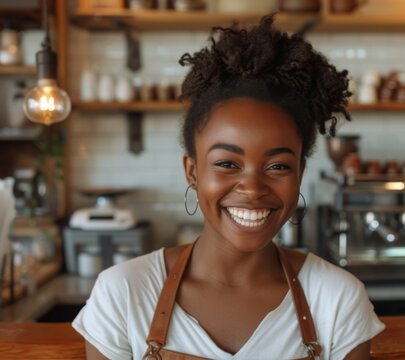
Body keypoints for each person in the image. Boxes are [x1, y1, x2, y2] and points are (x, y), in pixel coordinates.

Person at [72, 15, 385, 360]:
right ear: (192, 170)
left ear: (300, 172)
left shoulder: (336, 299)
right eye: (227, 164)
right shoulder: (124, 293)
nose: (252, 188)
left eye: (278, 166)